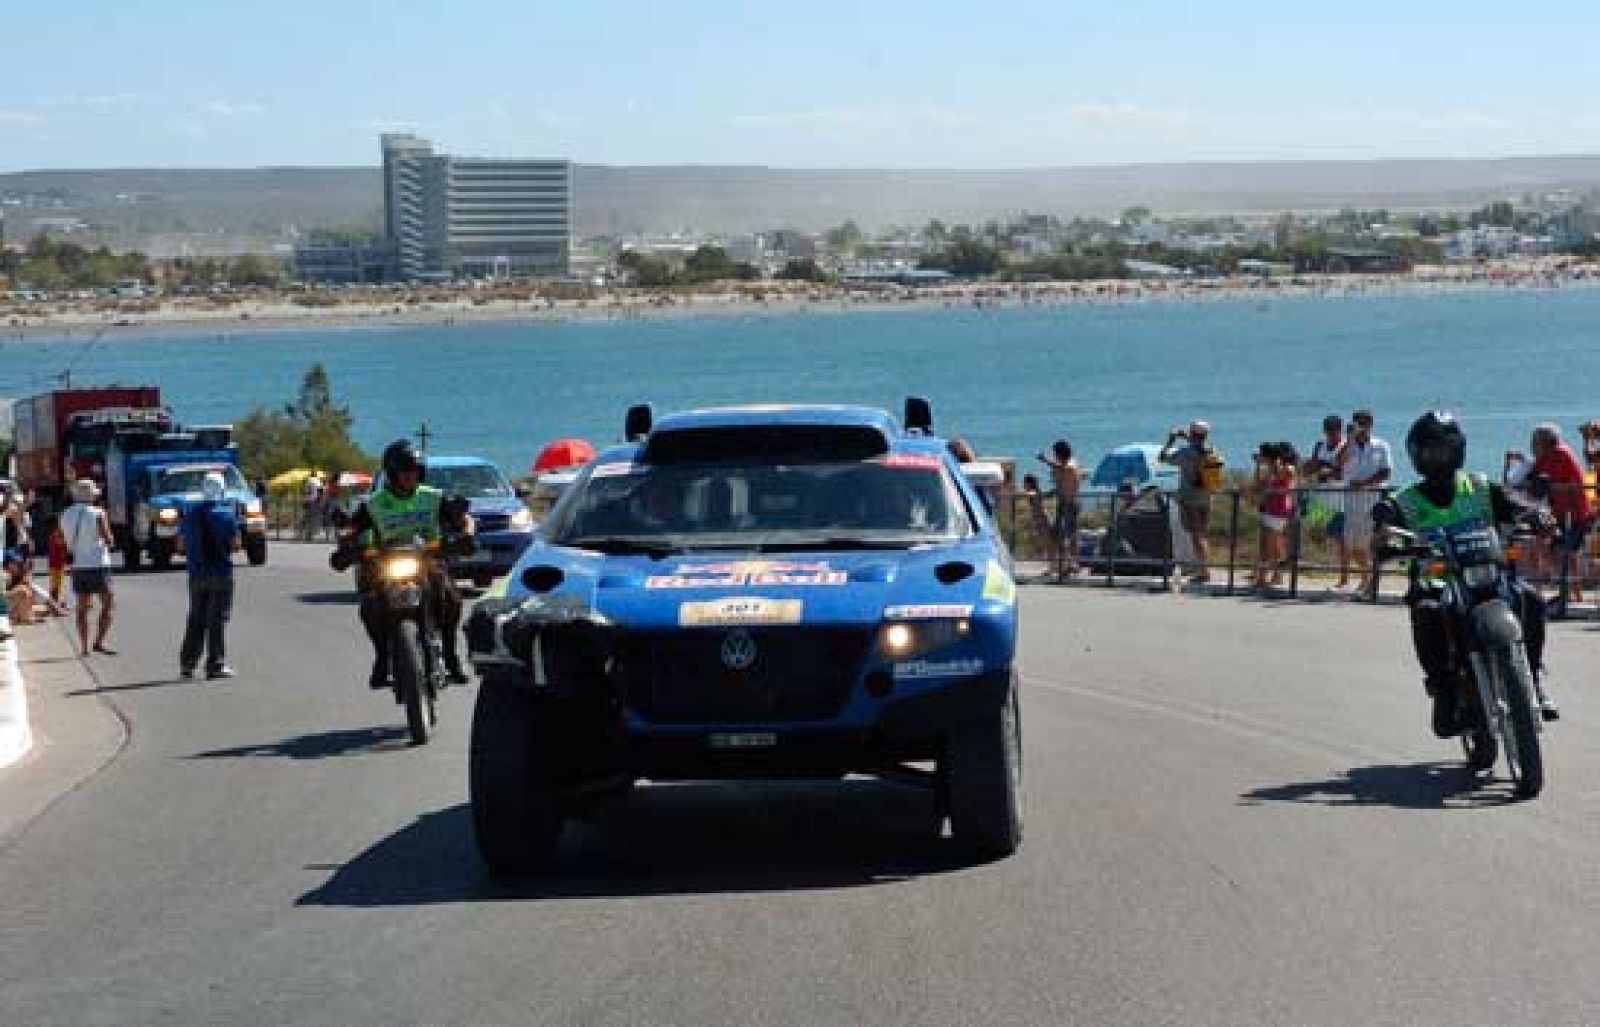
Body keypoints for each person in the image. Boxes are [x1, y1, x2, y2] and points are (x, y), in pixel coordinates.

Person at [1372, 411, 1559, 736]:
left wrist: (1537, 514)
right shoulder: (1406, 500)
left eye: (1443, 449)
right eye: (1429, 451)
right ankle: (1443, 690)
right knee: (1427, 612)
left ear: (1458, 449)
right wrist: (1386, 537)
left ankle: (1535, 677)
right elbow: (1385, 524)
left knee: (1531, 598)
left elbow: (1517, 504)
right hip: (1437, 581)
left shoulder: (1480, 486)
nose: (1437, 458)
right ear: (1416, 456)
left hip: (1488, 573)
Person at [332, 440, 472, 689]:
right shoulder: (373, 503)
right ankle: (382, 658)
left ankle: (450, 655)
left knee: (450, 595)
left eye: (414, 471)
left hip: (427, 558)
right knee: (371, 604)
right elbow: (352, 528)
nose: (409, 476)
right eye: (404, 471)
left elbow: (464, 519)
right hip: (387, 563)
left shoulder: (433, 497)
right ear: (392, 473)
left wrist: (466, 535)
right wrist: (346, 546)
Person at [1518, 423, 1591, 609]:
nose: (1533, 447)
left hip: (1575, 513)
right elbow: (1535, 473)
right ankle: (1572, 594)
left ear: (1546, 442)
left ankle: (1569, 594)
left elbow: (1537, 473)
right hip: (1564, 512)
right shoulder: (1552, 454)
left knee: (1563, 551)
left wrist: (1530, 479)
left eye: (1536, 443)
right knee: (1561, 550)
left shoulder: (1558, 453)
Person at [178, 471, 240, 679]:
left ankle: (188, 664)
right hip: (221, 572)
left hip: (197, 573)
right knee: (216, 621)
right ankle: (215, 664)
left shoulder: (190, 513)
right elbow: (235, 545)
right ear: (222, 490)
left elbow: (180, 544)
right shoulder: (227, 514)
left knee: (196, 618)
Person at [60, 478, 117, 657]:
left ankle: (84, 647)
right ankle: (99, 642)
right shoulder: (98, 513)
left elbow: (65, 539)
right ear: (91, 495)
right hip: (98, 564)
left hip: (78, 566)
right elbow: (109, 540)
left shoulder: (65, 514)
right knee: (108, 604)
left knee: (82, 608)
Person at [1339, 408, 1392, 598]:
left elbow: (1386, 472)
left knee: (1371, 543)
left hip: (1373, 499)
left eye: (1362, 422)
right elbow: (1339, 463)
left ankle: (1369, 582)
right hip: (1352, 501)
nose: (1359, 426)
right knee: (1352, 545)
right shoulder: (1349, 445)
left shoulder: (1381, 445)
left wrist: (1364, 484)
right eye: (1356, 422)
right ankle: (1368, 576)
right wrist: (1348, 440)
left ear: (1369, 424)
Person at [1159, 420, 1220, 584]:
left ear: (1192, 434)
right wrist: (1187, 437)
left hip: (1190, 497)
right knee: (1203, 534)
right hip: (1206, 496)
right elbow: (1200, 446)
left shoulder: (1185, 453)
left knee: (1196, 535)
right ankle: (1204, 568)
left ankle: (1204, 571)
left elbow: (1163, 457)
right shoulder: (1212, 451)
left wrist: (1170, 441)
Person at [1254, 442, 1297, 589]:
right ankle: (1276, 576)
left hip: (1279, 511)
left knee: (1268, 546)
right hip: (1270, 509)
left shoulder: (1287, 468)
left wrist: (1274, 463)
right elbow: (1259, 484)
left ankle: (1263, 577)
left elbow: (1281, 476)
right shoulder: (1271, 468)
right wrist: (1259, 466)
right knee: (1273, 545)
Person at [1037, 438, 1082, 577]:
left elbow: (1066, 469)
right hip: (1062, 503)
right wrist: (1049, 493)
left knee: (1069, 534)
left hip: (1070, 503)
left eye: (1056, 453)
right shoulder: (1061, 467)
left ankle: (1072, 564)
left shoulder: (1071, 464)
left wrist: (1046, 461)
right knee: (1059, 535)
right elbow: (1061, 485)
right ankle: (1064, 563)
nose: (1055, 456)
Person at [4, 548, 66, 624]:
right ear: (7, 563)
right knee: (23, 590)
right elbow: (2, 595)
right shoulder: (4, 575)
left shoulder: (18, 574)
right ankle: (24, 618)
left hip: (14, 605)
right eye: (14, 563)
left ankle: (52, 606)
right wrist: (17, 591)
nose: (17, 565)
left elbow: (34, 590)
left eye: (18, 563)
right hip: (4, 606)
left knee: (44, 608)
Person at [43, 513, 69, 607]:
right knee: (56, 583)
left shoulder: (52, 533)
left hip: (54, 562)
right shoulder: (56, 533)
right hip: (57, 562)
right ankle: (53, 602)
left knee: (55, 583)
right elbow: (59, 544)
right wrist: (65, 540)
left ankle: (53, 601)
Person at [301, 471, 327, 541]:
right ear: (316, 475)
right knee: (314, 518)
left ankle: (306, 533)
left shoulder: (308, 481)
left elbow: (305, 491)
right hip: (315, 501)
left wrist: (304, 499)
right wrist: (321, 500)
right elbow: (321, 491)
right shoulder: (318, 481)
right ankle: (310, 534)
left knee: (308, 517)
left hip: (308, 501)